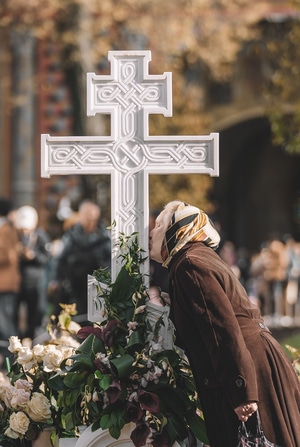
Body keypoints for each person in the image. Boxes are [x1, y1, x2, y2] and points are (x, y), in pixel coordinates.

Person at [149, 200, 300, 447]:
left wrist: (241, 391)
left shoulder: (191, 264)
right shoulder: (195, 259)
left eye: (158, 226)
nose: (152, 233)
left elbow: (220, 328)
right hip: (252, 363)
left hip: (246, 369)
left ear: (178, 230)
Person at [48, 200, 111, 321]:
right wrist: (56, 279)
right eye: (87, 215)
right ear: (81, 216)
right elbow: (61, 258)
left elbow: (109, 261)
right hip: (73, 285)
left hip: (96, 285)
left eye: (92, 216)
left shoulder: (104, 236)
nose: (90, 219)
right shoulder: (72, 235)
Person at [15, 205, 51, 340]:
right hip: (19, 282)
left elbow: (46, 259)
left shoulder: (41, 236)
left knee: (35, 315)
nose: (24, 230)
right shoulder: (16, 236)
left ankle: (32, 340)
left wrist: (32, 255)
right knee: (15, 316)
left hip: (36, 282)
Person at [0, 198, 21, 370]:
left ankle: (12, 362)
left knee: (6, 324)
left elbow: (8, 256)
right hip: (4, 283)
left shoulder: (5, 229)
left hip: (5, 284)